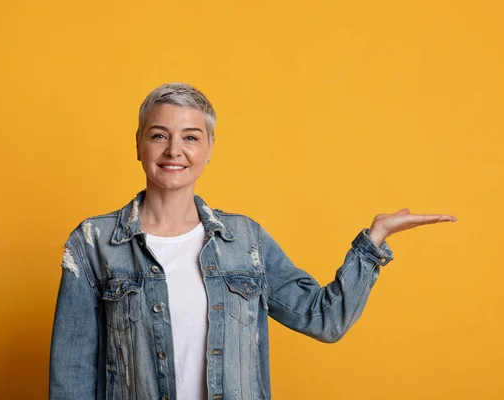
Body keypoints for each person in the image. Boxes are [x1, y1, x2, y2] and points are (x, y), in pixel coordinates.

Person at [49, 82, 456, 400]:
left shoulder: (246, 242)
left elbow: (324, 320)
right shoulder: (93, 243)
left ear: (209, 148)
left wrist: (373, 241)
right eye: (159, 135)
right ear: (138, 143)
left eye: (191, 137)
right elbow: (71, 377)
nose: (174, 150)